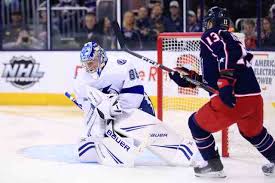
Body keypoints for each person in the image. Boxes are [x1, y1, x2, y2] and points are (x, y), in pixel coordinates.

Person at [169, 6, 275, 177]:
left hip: (233, 99)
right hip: (253, 99)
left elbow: (228, 56)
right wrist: (190, 78)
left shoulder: (212, 34)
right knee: (253, 132)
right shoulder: (231, 37)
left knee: (196, 125)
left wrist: (225, 83)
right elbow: (220, 69)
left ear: (213, 22)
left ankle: (214, 167)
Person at [73, 41, 204, 167]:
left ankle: (183, 151)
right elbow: (86, 106)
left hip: (138, 107)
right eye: (86, 64)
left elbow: (135, 94)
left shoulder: (121, 65)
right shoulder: (81, 80)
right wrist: (98, 117)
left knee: (152, 135)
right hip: (110, 115)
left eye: (92, 62)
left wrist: (114, 107)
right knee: (98, 142)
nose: (89, 67)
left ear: (101, 56)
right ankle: (109, 149)